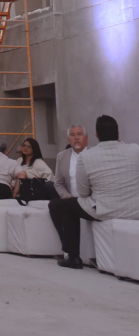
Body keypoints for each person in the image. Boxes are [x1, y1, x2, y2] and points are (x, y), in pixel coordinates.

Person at [49, 115, 139, 268]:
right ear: (118, 133)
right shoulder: (135, 149)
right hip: (134, 209)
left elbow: (83, 192)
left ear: (95, 135)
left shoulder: (87, 156)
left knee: (63, 206)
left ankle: (73, 257)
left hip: (104, 210)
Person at [54, 124, 88, 199]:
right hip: (70, 200)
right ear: (69, 140)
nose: (76, 138)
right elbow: (58, 183)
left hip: (90, 201)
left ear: (86, 138)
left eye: (79, 134)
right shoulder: (61, 156)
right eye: (72, 135)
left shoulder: (94, 154)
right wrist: (67, 197)